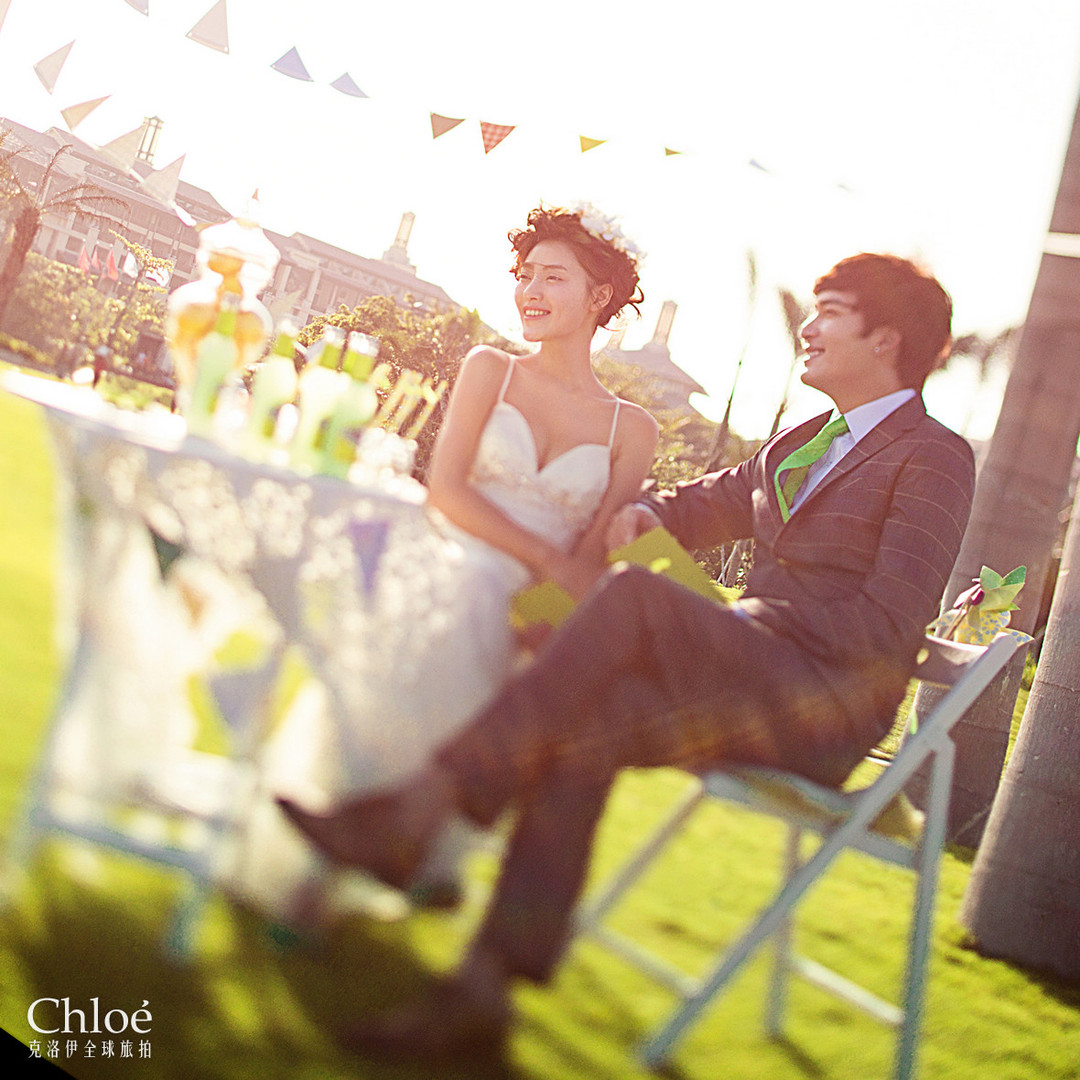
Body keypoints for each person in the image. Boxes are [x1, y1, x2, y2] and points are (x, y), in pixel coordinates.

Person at [278, 252, 976, 1059]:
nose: (809, 329)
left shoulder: (933, 456)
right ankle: (482, 992)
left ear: (885, 340)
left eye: (832, 313)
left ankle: (423, 806)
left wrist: (739, 628)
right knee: (586, 727)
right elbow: (703, 502)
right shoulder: (804, 441)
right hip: (752, 681)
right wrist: (648, 514)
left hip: (823, 711)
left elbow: (886, 626)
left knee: (639, 598)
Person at [267, 205, 658, 913]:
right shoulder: (490, 370)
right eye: (525, 275)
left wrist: (548, 595)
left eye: (553, 278)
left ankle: (409, 840)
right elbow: (445, 491)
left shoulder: (632, 429)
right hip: (450, 556)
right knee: (466, 591)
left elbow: (590, 560)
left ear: (599, 296)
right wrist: (541, 557)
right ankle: (325, 866)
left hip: (533, 602)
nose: (530, 291)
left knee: (504, 631)